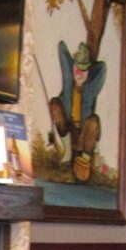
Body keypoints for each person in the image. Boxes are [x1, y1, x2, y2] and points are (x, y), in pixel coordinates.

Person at [48, 40, 106, 181]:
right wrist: (75, 57)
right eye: (77, 69)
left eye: (84, 71)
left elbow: (102, 67)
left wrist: (90, 66)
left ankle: (85, 157)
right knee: (54, 103)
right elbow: (61, 47)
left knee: (94, 121)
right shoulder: (69, 80)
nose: (80, 74)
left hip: (83, 134)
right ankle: (67, 151)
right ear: (72, 68)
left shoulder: (91, 88)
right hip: (68, 127)